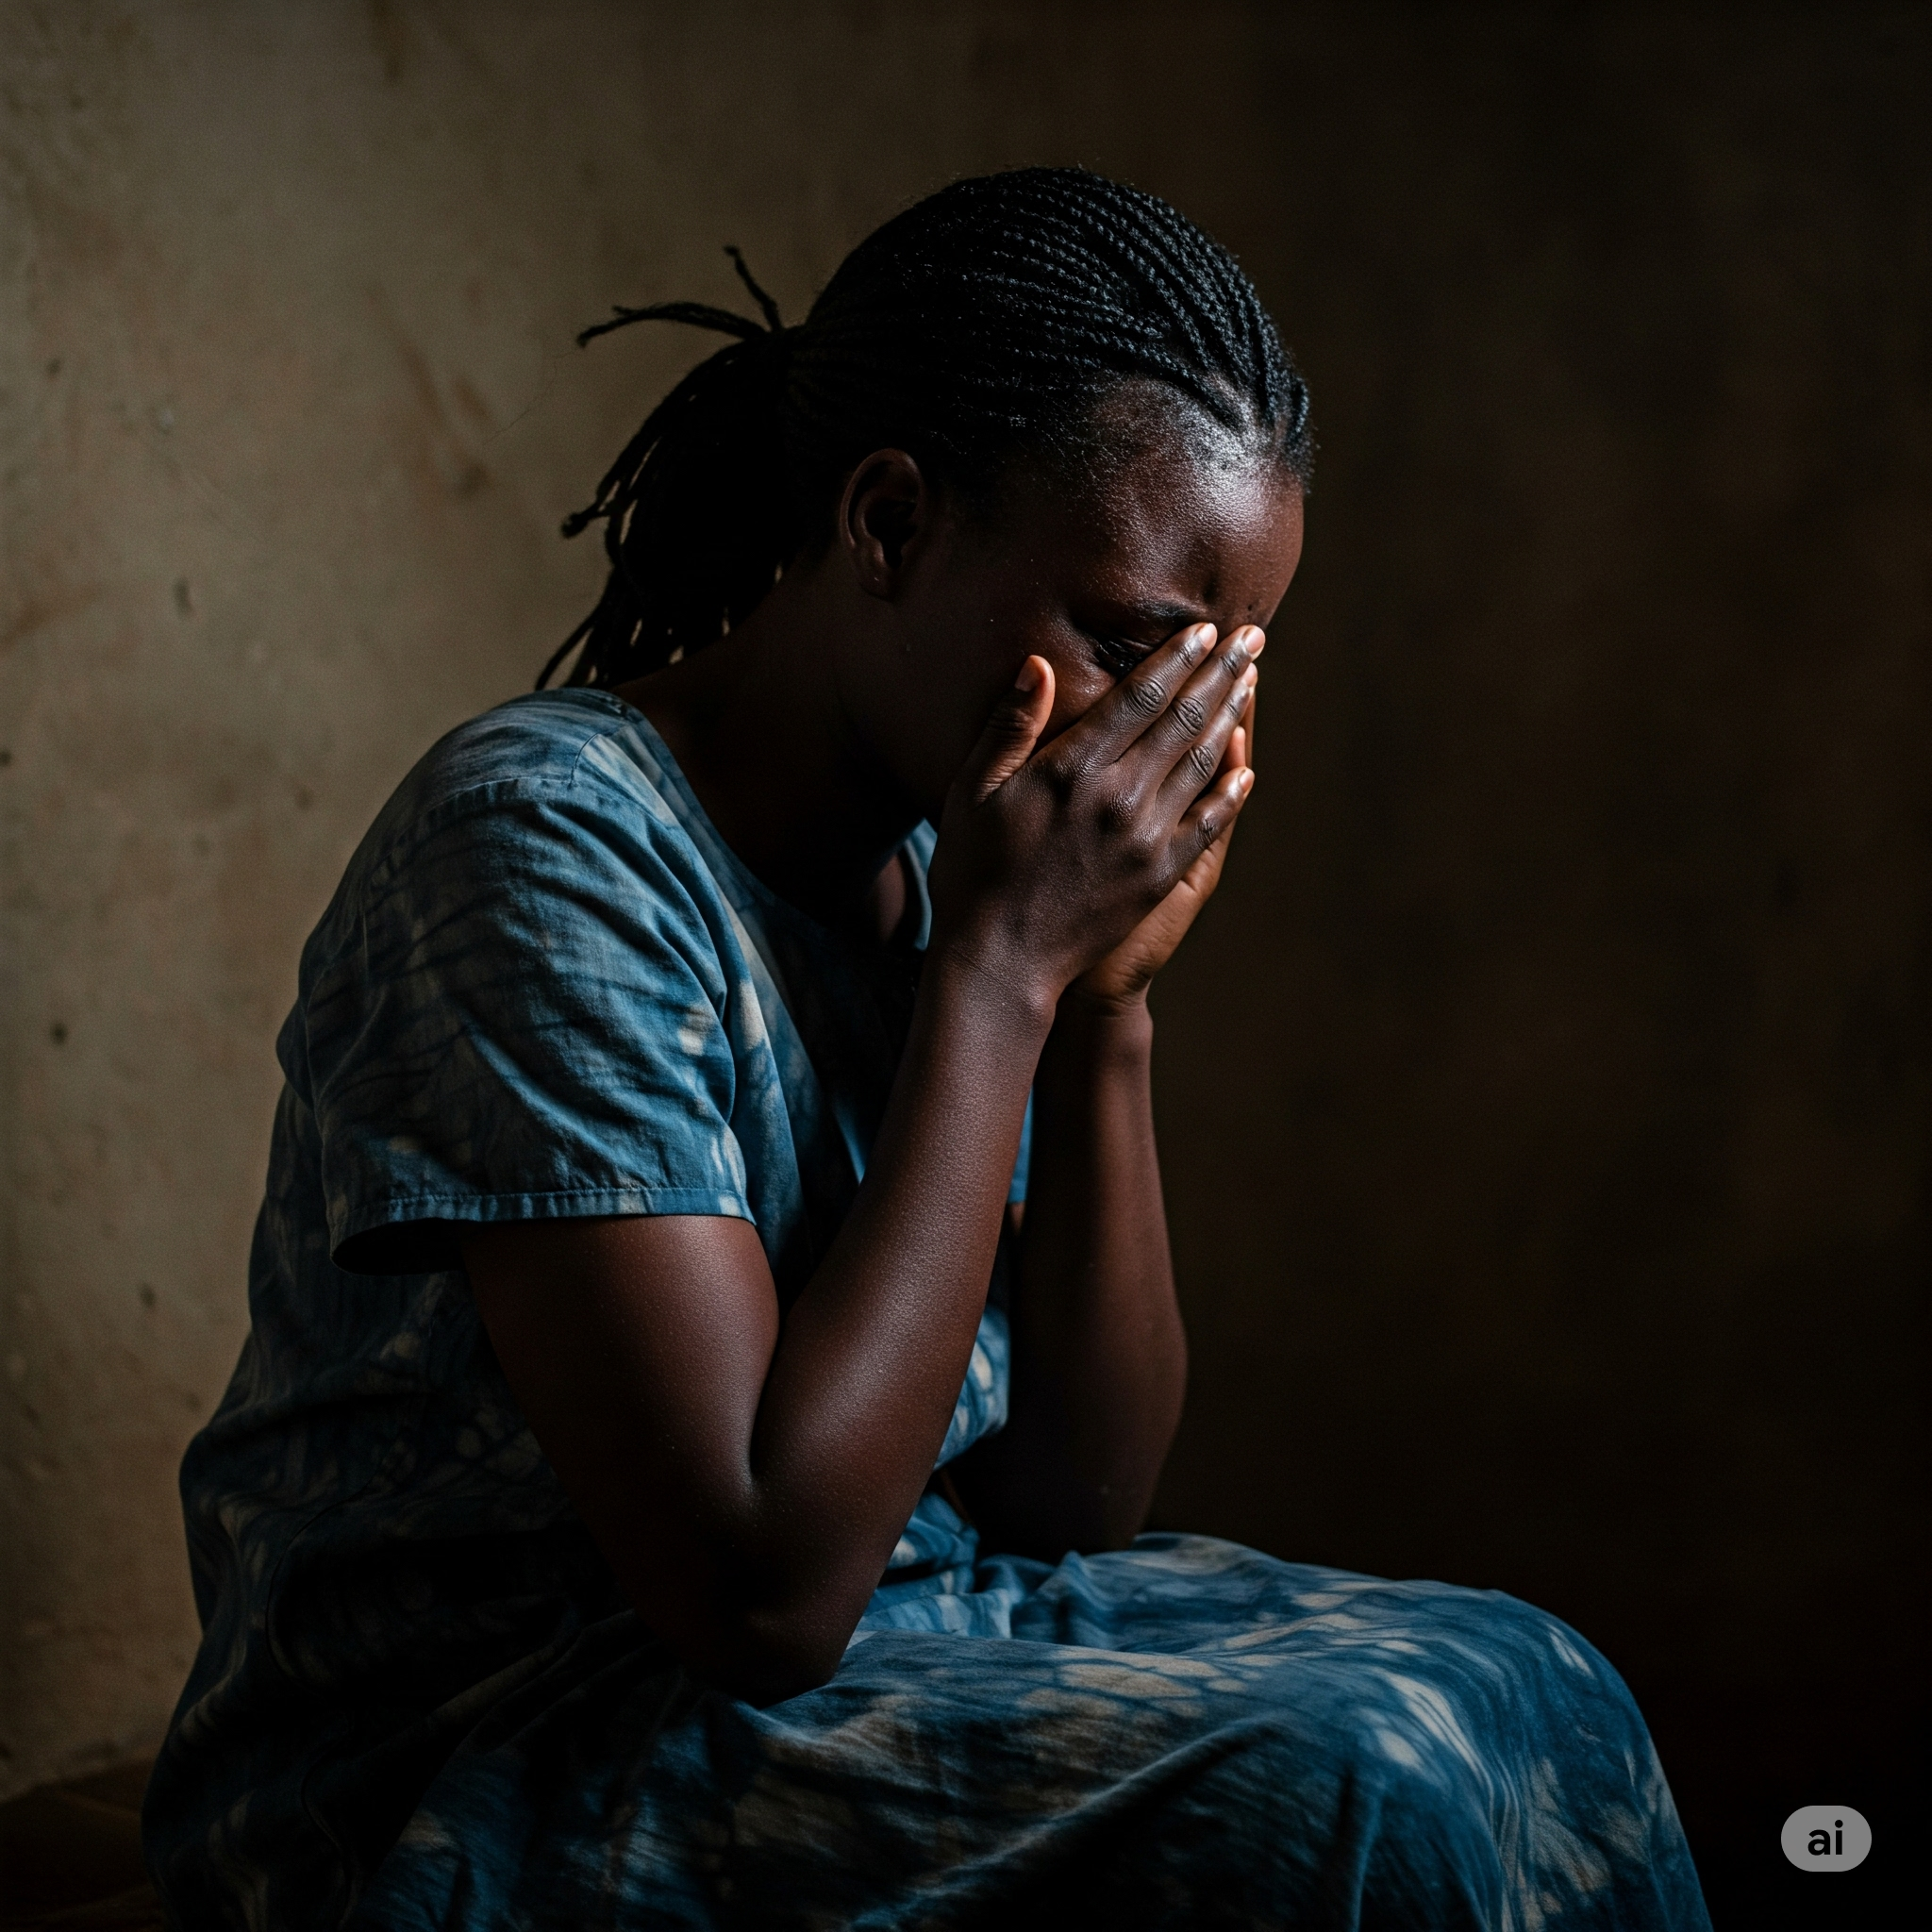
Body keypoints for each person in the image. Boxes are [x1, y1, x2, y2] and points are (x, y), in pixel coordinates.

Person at [143, 168, 1709, 1930]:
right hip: (491, 1759)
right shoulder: (544, 845)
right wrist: (1003, 976)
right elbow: (758, 1590)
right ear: (889, 526)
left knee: (1536, 1683)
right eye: (1130, 648)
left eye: (1219, 677)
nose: (1167, 747)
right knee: (1354, 1786)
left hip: (900, 1642)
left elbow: (1074, 1501)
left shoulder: (944, 863)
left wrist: (1104, 1008)